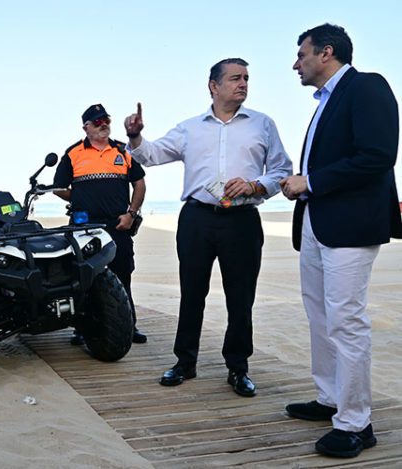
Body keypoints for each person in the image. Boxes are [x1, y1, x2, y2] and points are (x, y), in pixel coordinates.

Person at [124, 58, 292, 397]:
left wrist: (255, 186)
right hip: (197, 219)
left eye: (246, 78)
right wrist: (136, 135)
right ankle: (185, 362)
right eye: (234, 78)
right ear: (213, 86)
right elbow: (152, 155)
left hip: (242, 221)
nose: (243, 84)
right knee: (192, 293)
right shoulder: (190, 128)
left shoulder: (263, 124)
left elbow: (281, 171)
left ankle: (238, 368)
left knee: (241, 299)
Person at [280, 24, 401, 458]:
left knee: (346, 321)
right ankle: (330, 397)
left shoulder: (366, 87)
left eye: (301, 54)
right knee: (319, 315)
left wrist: (308, 181)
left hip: (349, 225)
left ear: (326, 52)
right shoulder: (326, 102)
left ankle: (356, 423)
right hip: (316, 221)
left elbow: (377, 155)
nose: (296, 64)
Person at [53, 104, 148, 345]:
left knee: (122, 275)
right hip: (83, 229)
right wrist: (79, 198)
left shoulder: (122, 150)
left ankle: (129, 325)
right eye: (97, 122)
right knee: (83, 278)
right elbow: (58, 188)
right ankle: (82, 329)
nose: (103, 124)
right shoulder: (73, 153)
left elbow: (139, 183)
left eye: (106, 119)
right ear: (86, 127)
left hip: (118, 226)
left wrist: (131, 214)